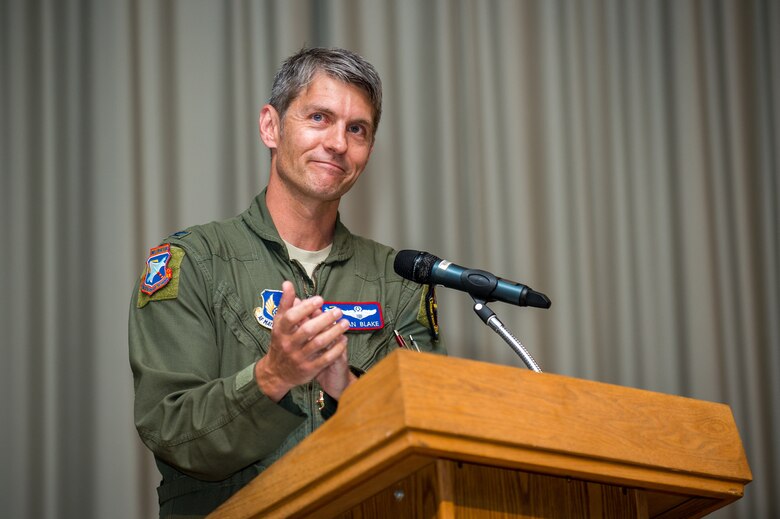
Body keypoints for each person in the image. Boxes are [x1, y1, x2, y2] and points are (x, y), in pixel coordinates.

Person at [128, 47, 444, 518]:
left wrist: (348, 391)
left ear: (369, 150)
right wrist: (273, 376)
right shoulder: (192, 262)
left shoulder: (399, 280)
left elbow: (426, 429)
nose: (338, 142)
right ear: (270, 127)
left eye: (356, 129)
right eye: (319, 117)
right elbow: (170, 429)